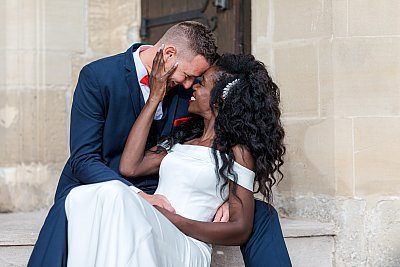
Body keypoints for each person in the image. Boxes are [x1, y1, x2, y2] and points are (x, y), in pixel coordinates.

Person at [29, 20, 290, 266]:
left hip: (166, 206)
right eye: (189, 77)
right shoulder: (98, 77)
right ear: (168, 54)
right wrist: (138, 196)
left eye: (197, 81)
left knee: (262, 214)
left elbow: (229, 139)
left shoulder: (191, 96)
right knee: (104, 197)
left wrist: (224, 192)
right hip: (105, 183)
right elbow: (86, 160)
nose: (191, 86)